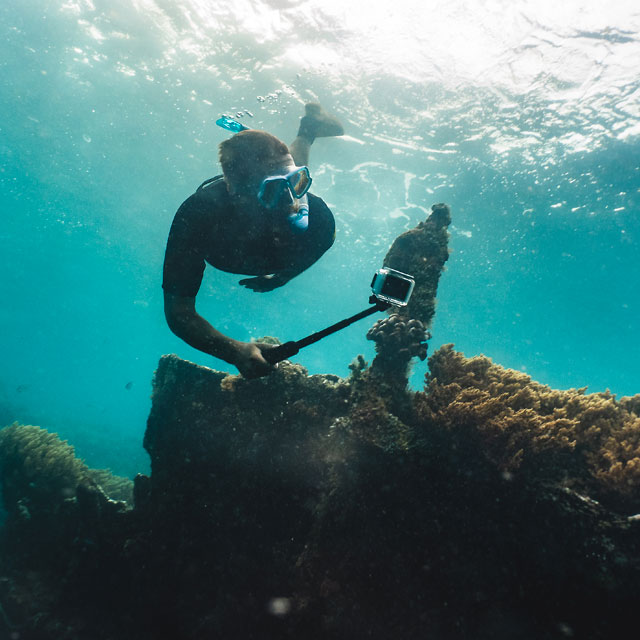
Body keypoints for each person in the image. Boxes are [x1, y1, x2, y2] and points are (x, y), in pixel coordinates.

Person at [162, 103, 344, 379]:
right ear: (234, 190)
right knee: (284, 169)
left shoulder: (317, 217)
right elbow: (179, 311)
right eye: (272, 190)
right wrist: (234, 350)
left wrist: (285, 276)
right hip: (227, 219)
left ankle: (307, 131)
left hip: (265, 233)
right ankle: (297, 138)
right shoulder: (198, 217)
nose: (291, 201)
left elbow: (321, 244)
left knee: (290, 164)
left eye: (297, 181)